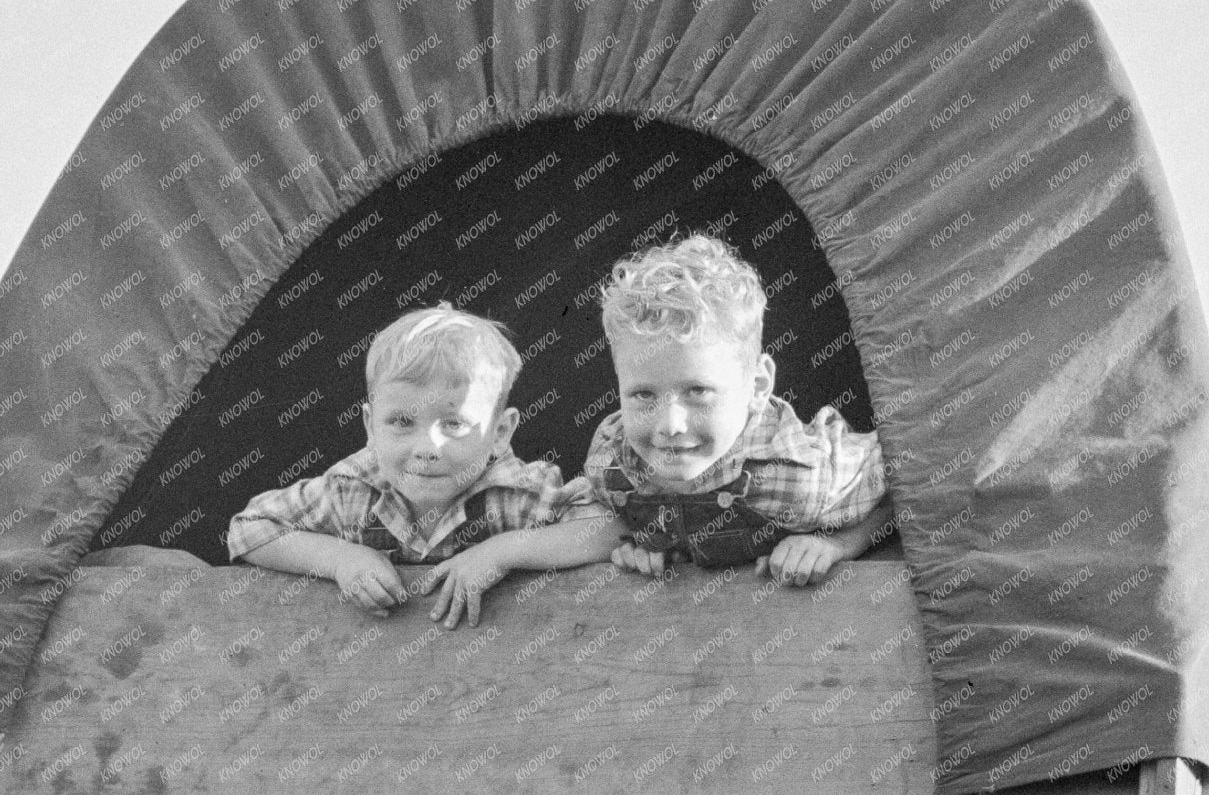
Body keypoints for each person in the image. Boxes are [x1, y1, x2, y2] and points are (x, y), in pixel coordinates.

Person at [227, 303, 618, 627]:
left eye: (454, 424)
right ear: (370, 426)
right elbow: (249, 530)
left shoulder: (514, 494)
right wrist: (340, 560)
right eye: (401, 422)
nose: (427, 448)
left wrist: (501, 552)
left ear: (500, 432)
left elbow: (613, 529)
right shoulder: (351, 491)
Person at [581, 235, 892, 585]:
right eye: (642, 395)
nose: (670, 424)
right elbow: (598, 518)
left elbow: (904, 470)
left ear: (758, 386)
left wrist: (838, 543)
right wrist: (645, 539)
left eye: (697, 391)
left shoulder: (802, 473)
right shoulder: (612, 462)